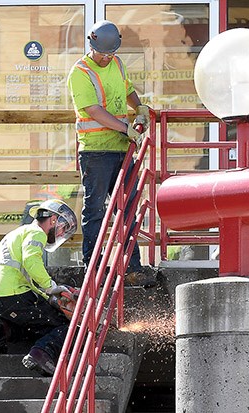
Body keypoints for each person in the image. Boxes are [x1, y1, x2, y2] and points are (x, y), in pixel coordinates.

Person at [67, 20, 154, 286]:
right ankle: (93, 267)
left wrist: (139, 107)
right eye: (103, 54)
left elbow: (127, 89)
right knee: (95, 210)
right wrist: (126, 128)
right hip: (95, 151)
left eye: (111, 53)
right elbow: (93, 110)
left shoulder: (116, 63)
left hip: (119, 148)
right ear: (92, 46)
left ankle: (132, 267)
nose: (106, 58)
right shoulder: (80, 72)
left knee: (127, 208)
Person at [0, 199, 79, 376]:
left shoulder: (18, 232)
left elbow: (22, 274)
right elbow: (31, 262)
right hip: (15, 295)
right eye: (62, 228)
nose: (60, 233)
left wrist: (46, 296)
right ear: (53, 220)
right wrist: (51, 287)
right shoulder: (37, 233)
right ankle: (41, 354)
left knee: (37, 324)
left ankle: (6, 330)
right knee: (65, 325)